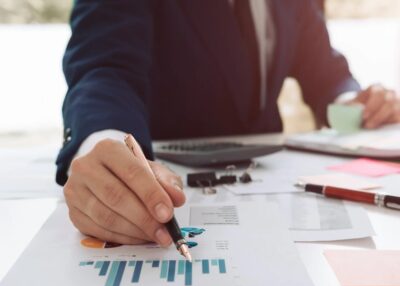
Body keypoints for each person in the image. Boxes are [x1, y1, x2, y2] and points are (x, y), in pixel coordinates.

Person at [58, 0, 400, 247]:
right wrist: (106, 142)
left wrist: (354, 104)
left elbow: (325, 72)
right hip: (167, 183)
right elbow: (104, 69)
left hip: (271, 187)